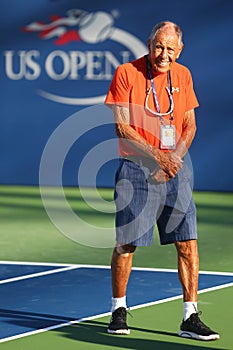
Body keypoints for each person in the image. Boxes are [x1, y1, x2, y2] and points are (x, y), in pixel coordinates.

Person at [105, 21, 220, 341]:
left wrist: (175, 160)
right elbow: (123, 128)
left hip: (174, 172)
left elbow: (189, 125)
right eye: (158, 46)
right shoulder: (127, 73)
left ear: (179, 50)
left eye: (170, 48)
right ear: (149, 44)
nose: (163, 54)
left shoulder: (183, 75)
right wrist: (159, 157)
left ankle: (191, 316)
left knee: (187, 244)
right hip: (136, 170)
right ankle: (118, 310)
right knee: (126, 244)